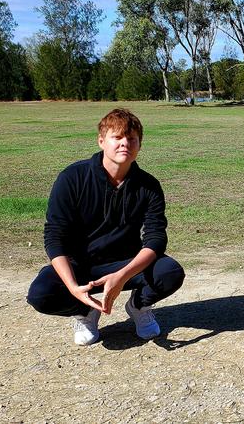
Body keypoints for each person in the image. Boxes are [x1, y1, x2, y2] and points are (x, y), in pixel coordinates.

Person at [27, 108, 185, 345]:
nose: (125, 144)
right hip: (80, 265)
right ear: (101, 141)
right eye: (117, 137)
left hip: (125, 263)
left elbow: (155, 239)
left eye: (131, 139)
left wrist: (122, 276)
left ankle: (139, 307)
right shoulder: (72, 178)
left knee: (170, 272)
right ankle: (85, 311)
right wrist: (73, 287)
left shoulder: (148, 185)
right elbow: (54, 237)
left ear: (139, 145)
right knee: (41, 294)